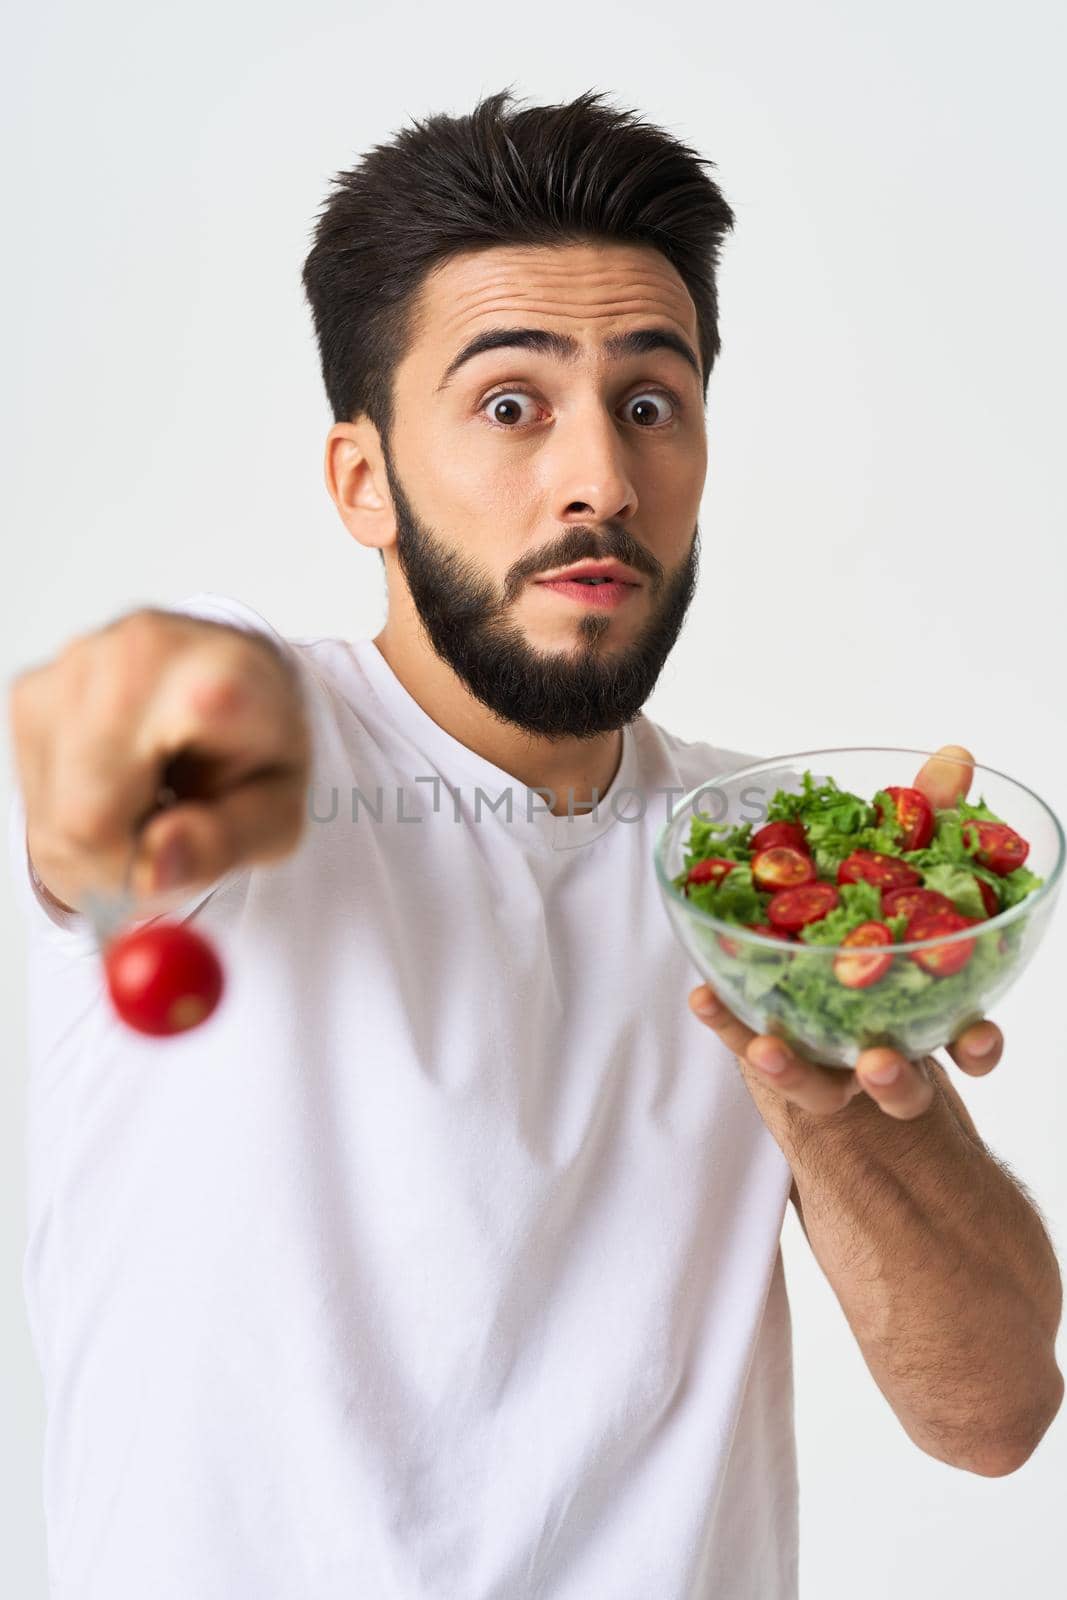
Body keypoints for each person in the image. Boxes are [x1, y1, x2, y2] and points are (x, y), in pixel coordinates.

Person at [7, 87, 1062, 1600]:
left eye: (651, 401)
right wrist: (138, 746)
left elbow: (997, 1415)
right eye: (512, 405)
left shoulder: (755, 872)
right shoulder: (274, 733)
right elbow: (127, 745)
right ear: (361, 480)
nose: (602, 482)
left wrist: (831, 1063)